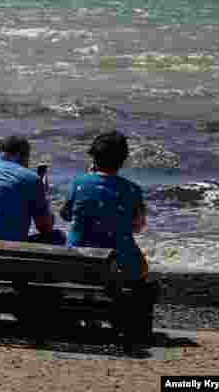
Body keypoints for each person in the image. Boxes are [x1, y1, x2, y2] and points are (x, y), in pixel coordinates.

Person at [60, 130, 158, 340]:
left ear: (93, 158)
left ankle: (85, 313)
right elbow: (137, 227)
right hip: (120, 262)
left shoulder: (79, 182)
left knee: (84, 254)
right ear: (122, 160)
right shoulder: (132, 189)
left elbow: (66, 215)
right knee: (138, 269)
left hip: (78, 259)